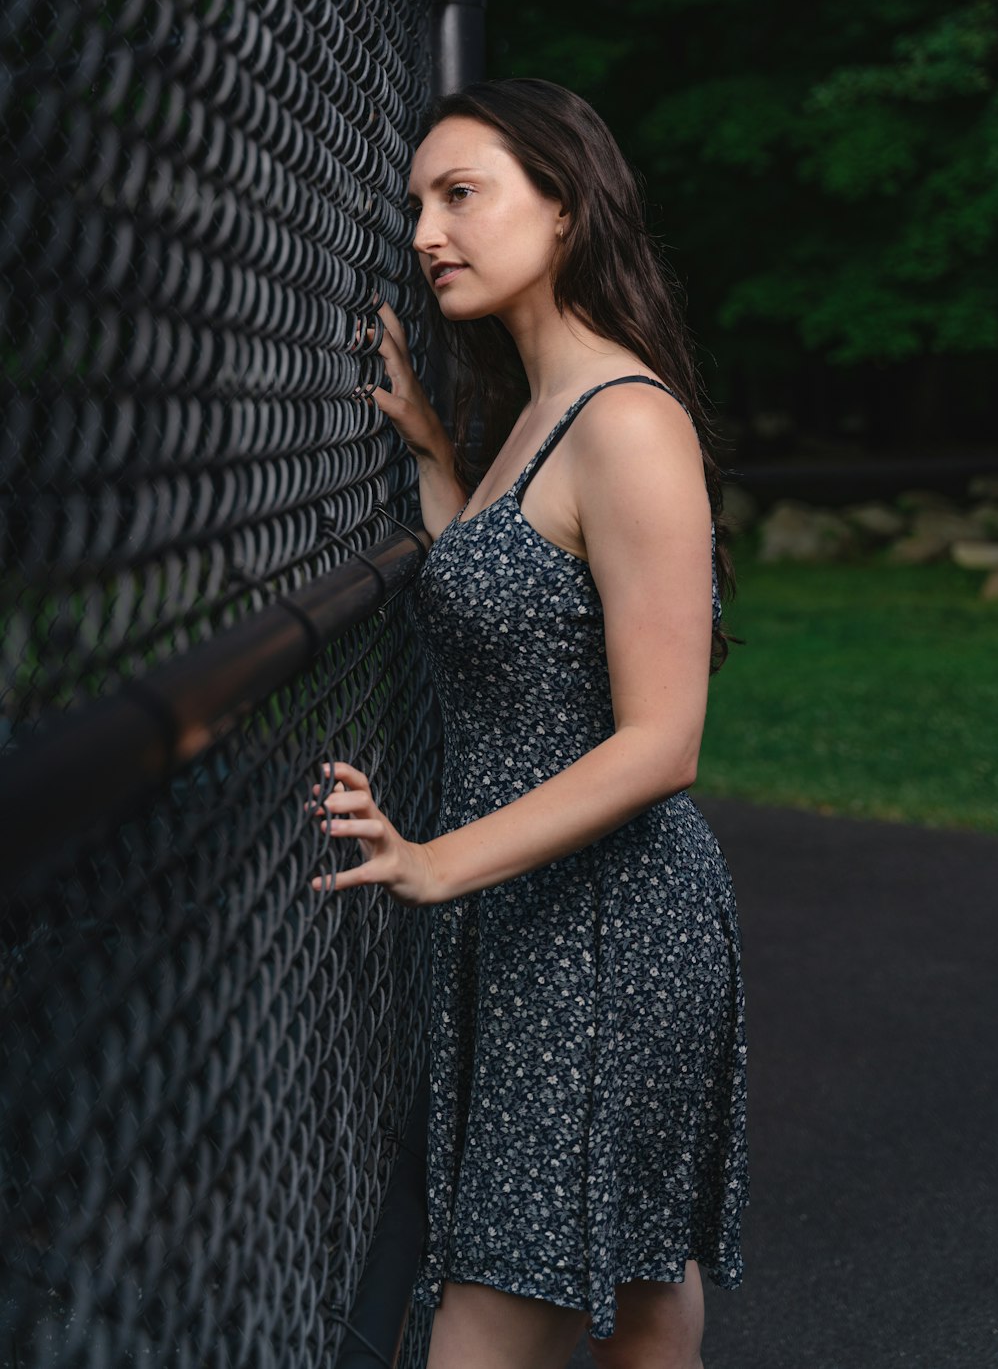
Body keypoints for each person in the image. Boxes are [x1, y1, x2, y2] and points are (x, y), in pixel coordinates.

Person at [308, 78, 747, 1369]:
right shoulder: (535, 420)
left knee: (487, 1324)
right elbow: (522, 612)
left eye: (463, 195)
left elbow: (664, 740)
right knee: (644, 1302)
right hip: (536, 926)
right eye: (417, 207)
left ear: (562, 210)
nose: (426, 233)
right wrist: (442, 462)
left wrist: (439, 860)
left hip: (611, 935)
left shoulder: (630, 423)